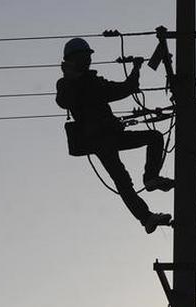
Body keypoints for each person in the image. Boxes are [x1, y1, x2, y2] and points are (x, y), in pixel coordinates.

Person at [55, 38, 174, 234]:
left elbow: (125, 89)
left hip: (109, 136)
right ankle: (146, 214)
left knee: (153, 138)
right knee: (123, 180)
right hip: (100, 141)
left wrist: (136, 69)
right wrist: (136, 69)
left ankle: (151, 182)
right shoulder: (73, 83)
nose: (88, 60)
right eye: (85, 57)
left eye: (88, 57)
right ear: (74, 58)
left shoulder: (88, 81)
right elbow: (64, 101)